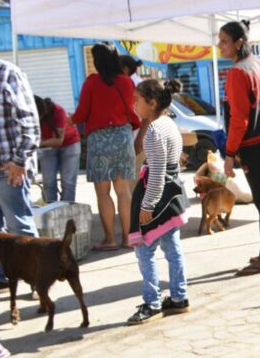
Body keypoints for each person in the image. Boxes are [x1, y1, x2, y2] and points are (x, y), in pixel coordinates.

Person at [217, 19, 260, 276]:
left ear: (239, 42)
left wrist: (230, 154)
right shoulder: (259, 64)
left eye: (224, 41)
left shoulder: (238, 72)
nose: (219, 46)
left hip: (252, 144)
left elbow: (239, 119)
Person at [126, 80, 190, 325]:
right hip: (173, 194)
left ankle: (152, 302)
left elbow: (158, 171)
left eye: (137, 100)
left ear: (151, 103)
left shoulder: (153, 130)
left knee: (144, 249)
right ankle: (178, 297)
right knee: (173, 248)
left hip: (157, 196)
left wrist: (147, 205)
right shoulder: (169, 124)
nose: (134, 104)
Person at [71, 43, 142, 250]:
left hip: (99, 139)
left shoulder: (92, 82)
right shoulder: (127, 82)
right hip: (122, 136)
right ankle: (129, 238)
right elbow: (133, 110)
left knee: (103, 192)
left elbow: (82, 114)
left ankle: (110, 239)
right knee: (124, 191)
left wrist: (70, 120)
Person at [0, 56, 41, 292]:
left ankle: (36, 281)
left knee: (19, 227)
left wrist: (19, 160)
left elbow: (31, 124)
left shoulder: (7, 73)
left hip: (9, 168)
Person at [35, 96, 81, 203]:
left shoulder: (58, 111)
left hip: (70, 145)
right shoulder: (31, 115)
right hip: (47, 148)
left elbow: (58, 141)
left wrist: (39, 143)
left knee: (68, 182)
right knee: (48, 182)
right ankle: (50, 210)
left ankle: (66, 211)